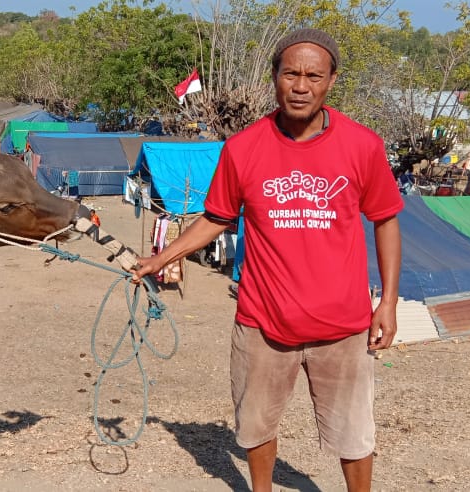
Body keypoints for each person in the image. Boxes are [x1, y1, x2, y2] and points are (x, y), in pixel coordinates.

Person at [132, 28, 402, 492]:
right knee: (255, 426)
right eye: (290, 73)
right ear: (274, 76)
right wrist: (162, 257)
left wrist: (389, 303)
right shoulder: (243, 148)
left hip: (343, 324)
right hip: (262, 320)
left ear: (331, 80)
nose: (301, 85)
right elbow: (216, 218)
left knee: (355, 435)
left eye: (313, 75)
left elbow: (385, 220)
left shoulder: (362, 146)